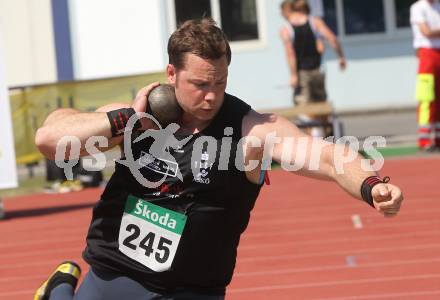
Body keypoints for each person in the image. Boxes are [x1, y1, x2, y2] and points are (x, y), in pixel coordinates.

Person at [34, 18, 403, 300]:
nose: (211, 97)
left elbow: (326, 156)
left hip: (193, 289)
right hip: (115, 275)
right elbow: (49, 138)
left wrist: (371, 185)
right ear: (171, 75)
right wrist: (125, 120)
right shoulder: (137, 118)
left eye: (220, 83)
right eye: (199, 84)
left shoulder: (249, 132)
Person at [280, 0, 346, 137]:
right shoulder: (315, 22)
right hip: (318, 70)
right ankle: (325, 135)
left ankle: (314, 138)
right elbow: (332, 38)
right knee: (320, 105)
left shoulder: (286, 29)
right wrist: (341, 57)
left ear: (290, 10)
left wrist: (293, 75)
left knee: (303, 107)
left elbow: (290, 54)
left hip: (302, 73)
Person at [410, 0, 440, 151]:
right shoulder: (417, 7)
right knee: (426, 98)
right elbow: (426, 31)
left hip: (438, 52)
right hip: (426, 54)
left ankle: (437, 137)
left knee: (439, 98)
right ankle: (424, 138)